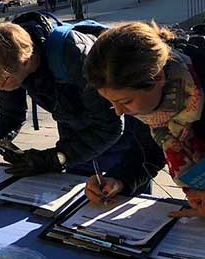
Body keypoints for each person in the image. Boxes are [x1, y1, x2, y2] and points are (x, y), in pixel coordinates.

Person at [0, 14, 163, 197]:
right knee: (78, 200)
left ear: (25, 61)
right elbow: (10, 114)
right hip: (77, 137)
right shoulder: (8, 62)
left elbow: (111, 125)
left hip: (124, 139)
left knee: (121, 195)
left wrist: (52, 159)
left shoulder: (75, 54)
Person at [83, 22, 205, 217]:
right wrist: (118, 180)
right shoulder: (149, 104)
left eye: (125, 101)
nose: (119, 112)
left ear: (158, 77)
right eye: (111, 102)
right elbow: (147, 153)